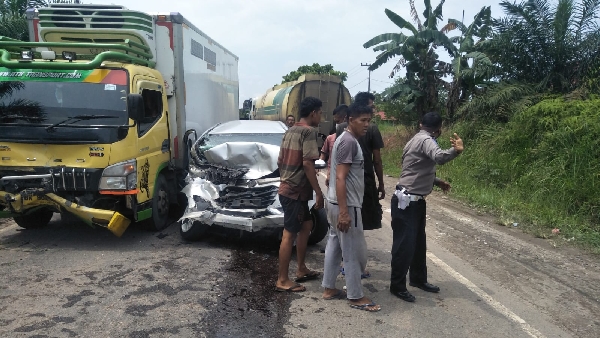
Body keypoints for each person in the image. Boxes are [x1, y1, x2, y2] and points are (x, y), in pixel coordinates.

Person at [389, 112, 464, 302]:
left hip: (413, 200)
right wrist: (456, 151)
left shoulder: (416, 139)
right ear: (439, 129)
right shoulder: (426, 140)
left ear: (420, 123)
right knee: (404, 246)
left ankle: (418, 278)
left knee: (417, 244)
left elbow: (415, 168)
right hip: (409, 202)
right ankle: (397, 286)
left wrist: (437, 181)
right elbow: (438, 157)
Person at [321, 103, 381, 312]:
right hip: (345, 204)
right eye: (362, 120)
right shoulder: (348, 142)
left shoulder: (345, 140)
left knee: (335, 245)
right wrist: (345, 212)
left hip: (336, 202)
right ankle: (355, 296)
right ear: (350, 119)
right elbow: (340, 177)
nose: (367, 124)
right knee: (352, 250)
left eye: (369, 120)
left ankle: (329, 288)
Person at [276, 97, 325, 293]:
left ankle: (301, 269)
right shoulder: (309, 132)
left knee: (307, 225)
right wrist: (319, 193)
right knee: (289, 234)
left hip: (289, 188)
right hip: (295, 192)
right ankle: (282, 280)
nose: (321, 116)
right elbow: (307, 163)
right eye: (320, 112)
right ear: (313, 112)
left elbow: (280, 160)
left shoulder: (290, 131)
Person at [320, 105, 349, 186]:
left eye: (337, 121)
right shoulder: (330, 137)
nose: (337, 125)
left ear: (346, 118)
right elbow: (324, 154)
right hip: (333, 178)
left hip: (349, 180)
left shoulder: (355, 140)